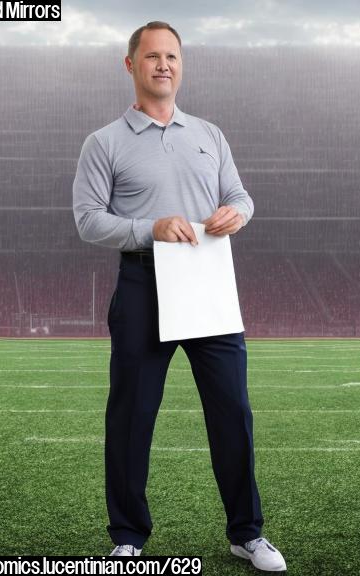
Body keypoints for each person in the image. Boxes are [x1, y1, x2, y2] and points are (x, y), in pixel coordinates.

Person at [72, 21, 286, 573]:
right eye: (152, 57)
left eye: (172, 56)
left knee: (233, 412)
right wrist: (151, 227)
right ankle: (127, 536)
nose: (163, 65)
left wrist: (238, 212)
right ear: (130, 65)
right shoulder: (104, 142)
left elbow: (239, 194)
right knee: (132, 414)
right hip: (145, 283)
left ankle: (247, 533)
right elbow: (88, 221)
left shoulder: (209, 135)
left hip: (208, 279)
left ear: (181, 64)